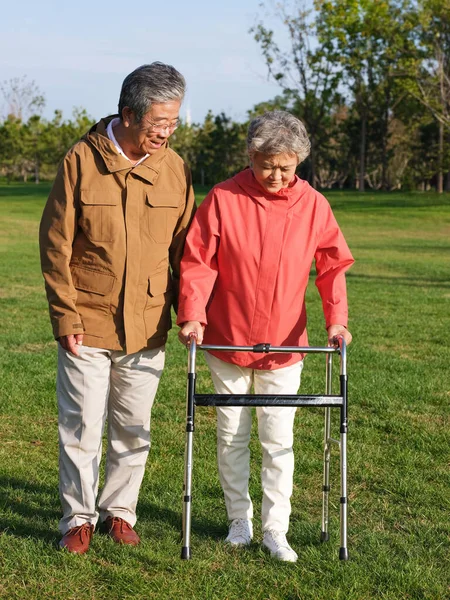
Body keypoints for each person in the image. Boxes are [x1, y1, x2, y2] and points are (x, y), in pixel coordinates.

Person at [177, 111, 354, 562]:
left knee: (278, 440)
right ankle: (240, 519)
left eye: (286, 167)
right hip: (226, 339)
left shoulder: (314, 204)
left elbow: (332, 266)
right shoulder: (222, 198)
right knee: (231, 436)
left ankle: (277, 528)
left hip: (285, 343)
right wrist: (193, 316)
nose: (276, 175)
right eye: (267, 164)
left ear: (299, 163)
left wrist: (337, 320)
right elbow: (199, 262)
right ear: (250, 156)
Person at [39, 62, 196, 554]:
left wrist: (189, 309)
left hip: (148, 325)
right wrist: (65, 316)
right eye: (158, 124)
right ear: (127, 114)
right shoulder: (80, 160)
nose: (166, 133)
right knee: (82, 428)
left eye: (173, 123)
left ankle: (120, 513)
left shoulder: (174, 168)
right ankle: (77, 520)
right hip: (86, 321)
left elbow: (187, 251)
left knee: (134, 428)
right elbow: (55, 245)